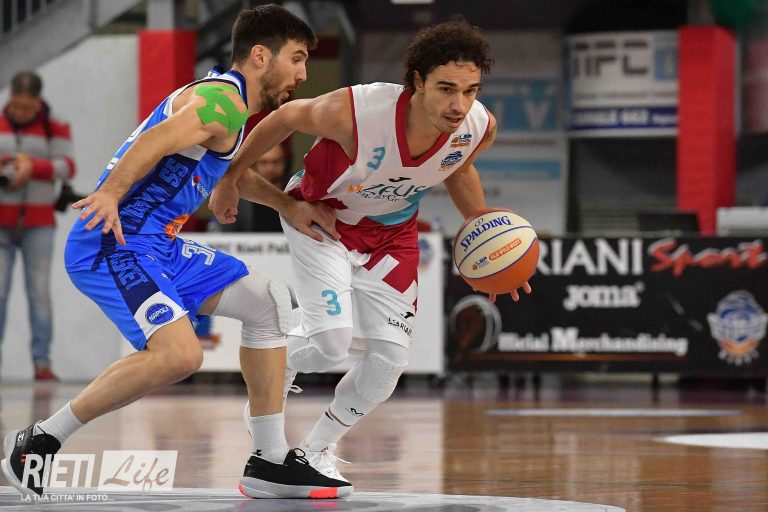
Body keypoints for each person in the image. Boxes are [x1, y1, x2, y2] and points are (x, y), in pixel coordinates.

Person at [1, 5, 350, 500]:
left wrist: (286, 205)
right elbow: (158, 138)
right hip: (115, 240)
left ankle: (269, 460)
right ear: (259, 56)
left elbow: (227, 166)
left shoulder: (227, 103)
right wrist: (110, 192)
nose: (303, 73)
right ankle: (39, 442)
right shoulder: (224, 102)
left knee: (270, 303)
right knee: (180, 356)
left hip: (157, 244)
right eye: (296, 58)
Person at [209, 18, 532, 486]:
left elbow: (458, 169)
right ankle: (272, 365)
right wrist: (231, 177)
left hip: (392, 236)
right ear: (417, 82)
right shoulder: (356, 112)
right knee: (331, 344)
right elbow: (283, 117)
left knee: (389, 363)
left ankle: (316, 450)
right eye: (446, 89)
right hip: (323, 218)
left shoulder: (478, 127)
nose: (459, 105)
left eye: (470, 90)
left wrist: (488, 245)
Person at [0, 71, 76, 381]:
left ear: (38, 102)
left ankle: (42, 363)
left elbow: (67, 166)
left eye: (27, 108)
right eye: (16, 106)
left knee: (39, 294)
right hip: (1, 222)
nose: (21, 112)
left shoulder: (55, 124)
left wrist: (33, 167)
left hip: (39, 223)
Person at [222, 143, 289, 232]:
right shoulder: (236, 197)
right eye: (264, 162)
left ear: (285, 163)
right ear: (255, 164)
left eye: (276, 162)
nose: (270, 168)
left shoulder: (295, 193)